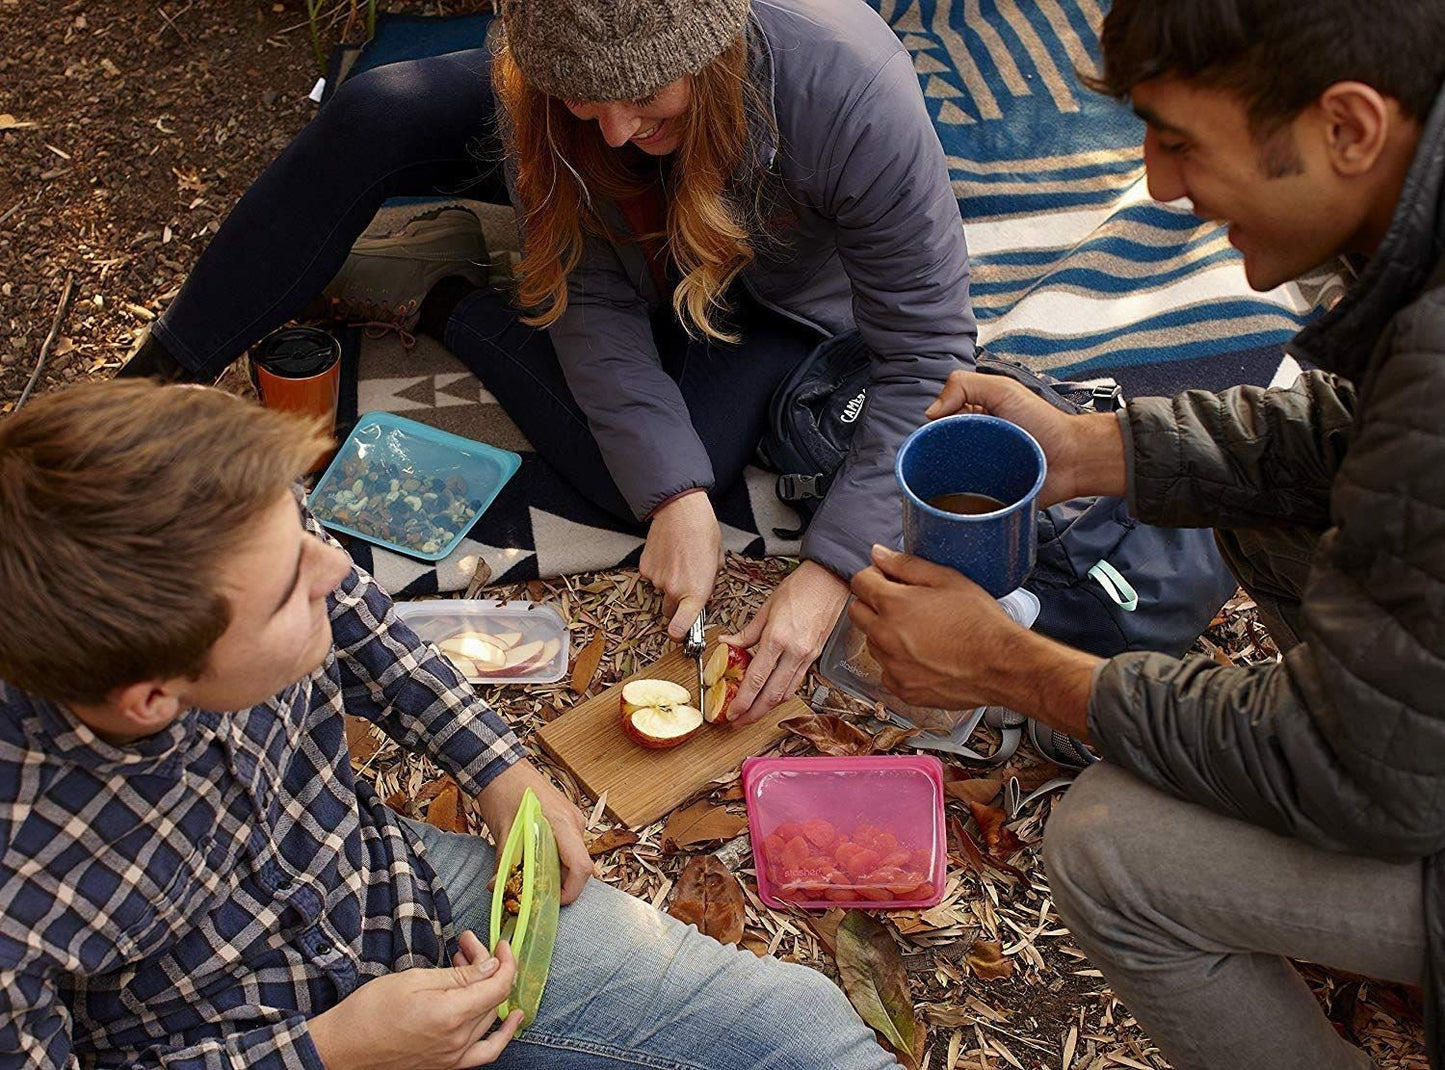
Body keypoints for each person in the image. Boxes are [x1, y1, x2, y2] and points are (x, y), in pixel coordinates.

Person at [848, 1, 1445, 1067]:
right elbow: (1362, 436)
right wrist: (1089, 449)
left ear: (1347, 127)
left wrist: (1005, 663)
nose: (1159, 186)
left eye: (1179, 142)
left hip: (1386, 778)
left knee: (1108, 845)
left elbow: (1340, 767)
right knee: (1262, 506)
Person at [118, 0, 975, 725]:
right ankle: (134, 400)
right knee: (378, 109)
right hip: (632, 241)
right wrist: (673, 497)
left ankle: (444, 295)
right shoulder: (551, 93)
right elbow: (589, 291)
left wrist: (830, 569)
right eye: (584, 101)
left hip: (765, 295)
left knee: (663, 472)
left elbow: (926, 353)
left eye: (644, 96)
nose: (616, 131)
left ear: (712, 54)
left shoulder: (850, 89)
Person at [0, 380, 897, 1069]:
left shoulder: (246, 548)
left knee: (806, 1039)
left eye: (304, 527)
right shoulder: (19, 889)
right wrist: (331, 1052)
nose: (334, 571)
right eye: (288, 593)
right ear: (150, 699)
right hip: (236, 1039)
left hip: (388, 888)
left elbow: (364, 628)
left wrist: (497, 767)